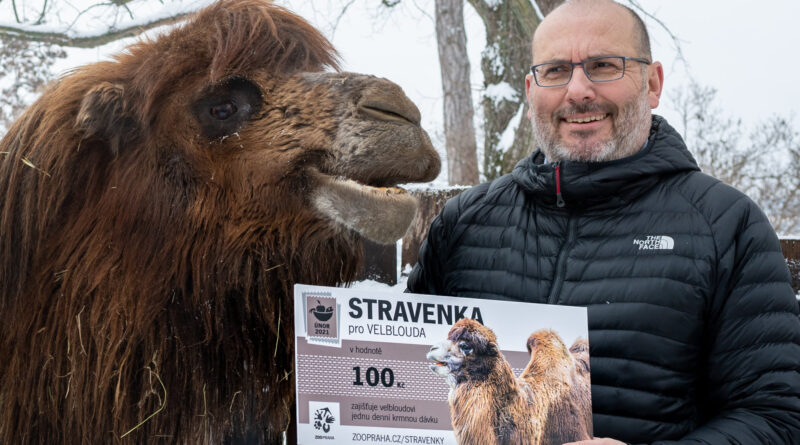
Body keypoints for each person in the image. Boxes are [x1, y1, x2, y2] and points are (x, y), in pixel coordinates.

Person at [406, 0, 800, 443]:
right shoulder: (464, 224)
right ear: (531, 89)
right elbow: (407, 388)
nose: (578, 90)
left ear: (652, 84)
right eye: (555, 71)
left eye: (604, 65)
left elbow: (777, 418)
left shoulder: (726, 225)